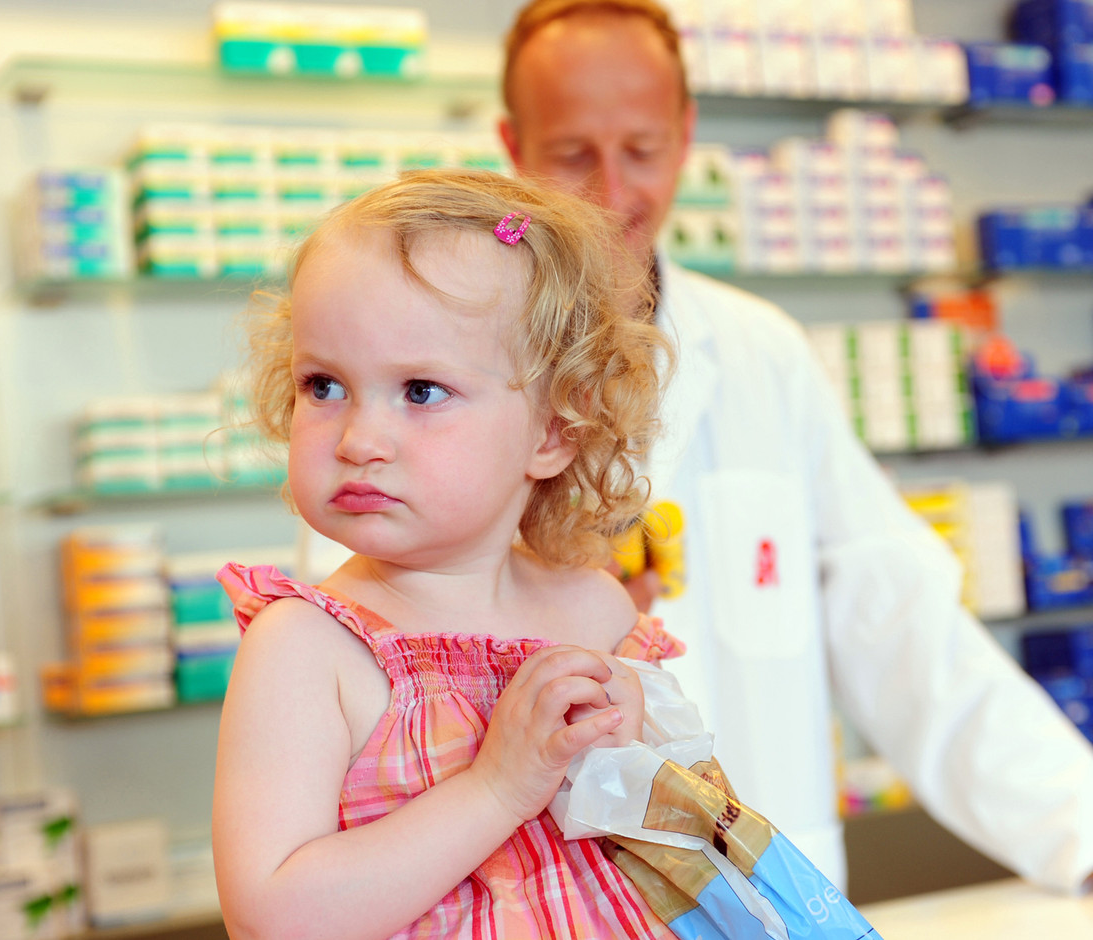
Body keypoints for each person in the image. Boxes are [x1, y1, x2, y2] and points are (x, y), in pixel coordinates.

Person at [497, 0, 1093, 895]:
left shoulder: (761, 351)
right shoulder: (455, 365)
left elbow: (904, 626)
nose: (612, 191)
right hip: (554, 887)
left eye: (645, 149)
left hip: (774, 883)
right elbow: (369, 655)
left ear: (687, 133)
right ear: (513, 145)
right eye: (573, 153)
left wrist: (1074, 828)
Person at [212, 167, 691, 939]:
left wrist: (638, 751)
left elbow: (675, 847)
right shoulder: (307, 650)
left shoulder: (596, 608)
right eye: (324, 385)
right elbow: (272, 919)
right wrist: (499, 787)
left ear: (553, 431)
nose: (360, 440)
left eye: (421, 391)